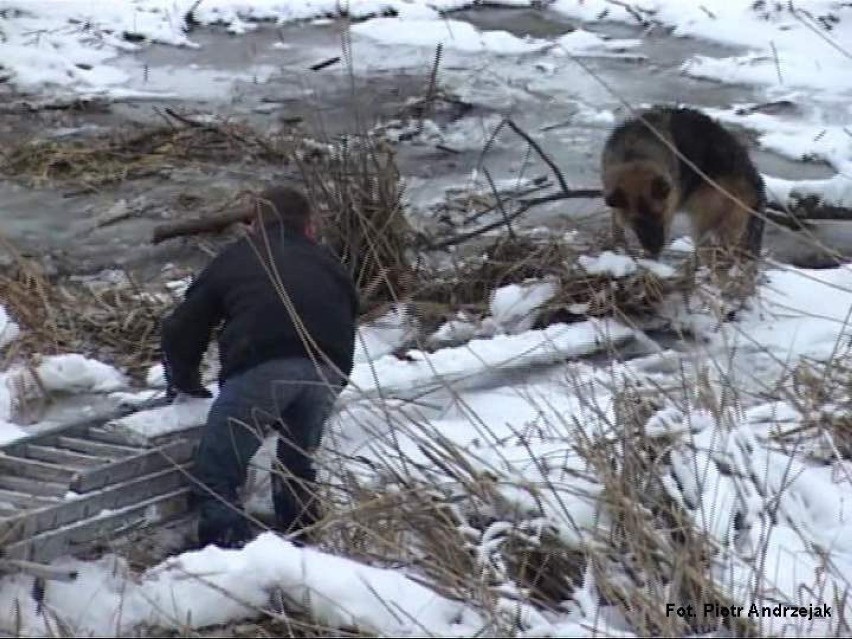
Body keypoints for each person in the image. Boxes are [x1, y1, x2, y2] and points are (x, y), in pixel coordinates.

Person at [160, 185, 359, 549]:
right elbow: (348, 311)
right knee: (296, 463)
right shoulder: (327, 261)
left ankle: (229, 555)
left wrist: (183, 380)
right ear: (309, 227)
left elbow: (182, 327)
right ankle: (303, 541)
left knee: (217, 472)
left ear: (253, 225)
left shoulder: (239, 257)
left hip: (265, 363)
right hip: (330, 367)